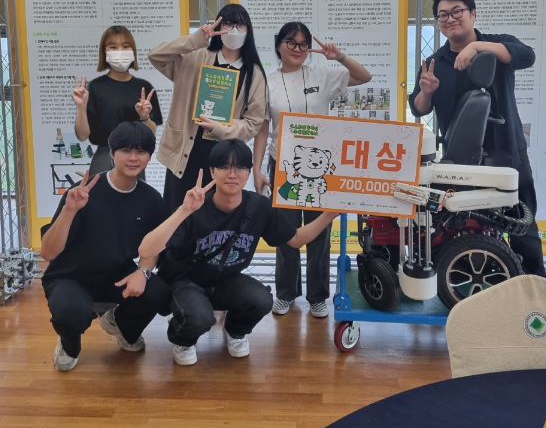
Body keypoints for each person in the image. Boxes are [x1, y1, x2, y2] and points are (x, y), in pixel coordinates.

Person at [138, 139, 338, 366]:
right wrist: (183, 211)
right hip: (186, 281)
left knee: (261, 299)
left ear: (249, 172)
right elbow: (146, 250)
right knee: (199, 317)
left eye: (240, 167)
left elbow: (296, 239)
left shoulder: (259, 207)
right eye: (224, 167)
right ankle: (184, 340)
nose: (232, 174)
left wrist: (329, 214)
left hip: (226, 281)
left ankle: (235, 331)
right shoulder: (194, 206)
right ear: (212, 171)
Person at [408, 0, 546, 277]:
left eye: (457, 11)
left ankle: (534, 288)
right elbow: (419, 109)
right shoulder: (435, 62)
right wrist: (426, 91)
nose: (450, 19)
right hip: (462, 163)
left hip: (509, 154)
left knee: (523, 228)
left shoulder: (498, 44)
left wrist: (477, 47)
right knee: (464, 227)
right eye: (443, 15)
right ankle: (472, 284)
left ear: (472, 14)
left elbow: (527, 56)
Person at [252, 22, 371, 318]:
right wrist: (256, 168)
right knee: (285, 232)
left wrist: (339, 56)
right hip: (282, 165)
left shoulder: (321, 75)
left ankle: (318, 295)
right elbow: (263, 129)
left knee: (319, 232)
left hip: (320, 166)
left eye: (303, 44)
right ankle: (285, 293)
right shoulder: (267, 82)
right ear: (279, 45)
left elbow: (364, 76)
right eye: (291, 42)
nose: (297, 49)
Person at [40, 121, 169, 372]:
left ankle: (120, 325)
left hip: (115, 276)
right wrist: (69, 211)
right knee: (69, 312)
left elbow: (153, 247)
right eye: (126, 150)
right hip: (70, 276)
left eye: (141, 151)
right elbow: (47, 252)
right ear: (111, 153)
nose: (133, 158)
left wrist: (143, 272)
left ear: (149, 156)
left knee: (158, 291)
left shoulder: (151, 199)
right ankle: (69, 344)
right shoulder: (83, 193)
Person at [147, 3, 267, 212]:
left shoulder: (254, 74)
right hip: (184, 155)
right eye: (228, 24)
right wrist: (196, 39)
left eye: (240, 25)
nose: (234, 30)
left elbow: (253, 123)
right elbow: (155, 55)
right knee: (176, 216)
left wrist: (219, 128)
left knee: (213, 219)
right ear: (218, 27)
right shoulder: (196, 58)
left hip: (222, 160)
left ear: (248, 30)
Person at [72, 25, 162, 179]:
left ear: (133, 51)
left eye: (125, 46)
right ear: (104, 52)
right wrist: (81, 107)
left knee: (135, 195)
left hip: (134, 158)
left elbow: (151, 132)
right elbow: (82, 135)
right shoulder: (96, 87)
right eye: (113, 47)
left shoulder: (144, 87)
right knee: (100, 194)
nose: (120, 51)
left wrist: (145, 117)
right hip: (104, 156)